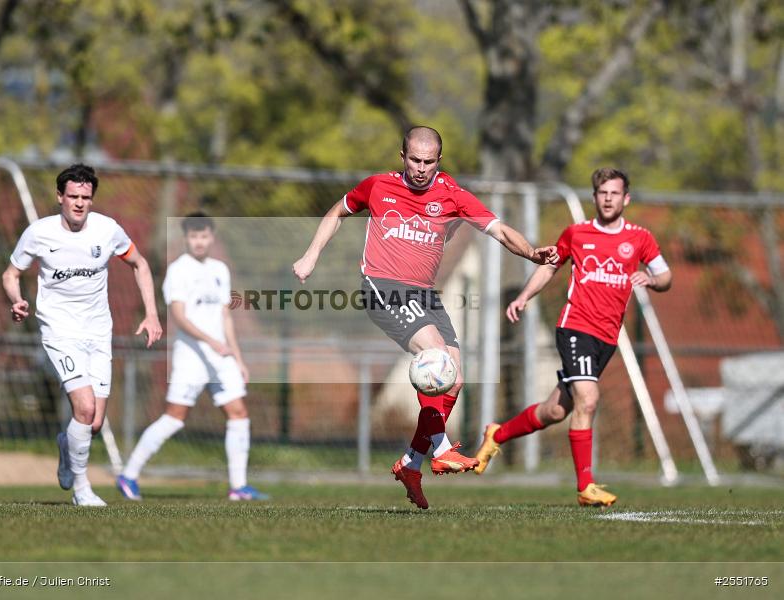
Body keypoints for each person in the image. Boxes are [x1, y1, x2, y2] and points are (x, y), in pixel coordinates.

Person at [293, 126, 558, 509]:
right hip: (383, 286)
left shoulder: (452, 195)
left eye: (428, 162)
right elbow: (338, 212)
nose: (420, 168)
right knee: (435, 355)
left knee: (454, 378)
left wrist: (532, 253)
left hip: (424, 294)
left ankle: (411, 463)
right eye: (414, 160)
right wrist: (311, 254)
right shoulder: (378, 186)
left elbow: (499, 231)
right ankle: (443, 449)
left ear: (439, 161)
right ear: (402, 157)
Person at [473, 167, 672, 507]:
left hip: (606, 338)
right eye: (602, 193)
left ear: (626, 199)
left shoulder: (640, 238)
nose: (608, 199)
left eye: (614, 193)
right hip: (576, 327)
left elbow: (665, 276)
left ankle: (497, 434)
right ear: (594, 197)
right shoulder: (577, 234)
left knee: (555, 410)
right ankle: (585, 487)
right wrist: (523, 297)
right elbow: (550, 266)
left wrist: (652, 280)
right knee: (588, 399)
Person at [2, 163, 163, 507]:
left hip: (98, 331)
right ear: (60, 197)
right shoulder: (39, 233)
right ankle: (82, 490)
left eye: (85, 198)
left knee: (94, 422)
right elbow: (11, 274)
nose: (79, 203)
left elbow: (140, 264)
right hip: (59, 330)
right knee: (85, 407)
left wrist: (151, 313)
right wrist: (16, 300)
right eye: (73, 196)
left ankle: (67, 445)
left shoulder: (107, 230)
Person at [116, 212, 268, 502]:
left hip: (221, 357)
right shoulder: (179, 270)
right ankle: (129, 475)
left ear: (212, 237)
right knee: (175, 417)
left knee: (238, 413)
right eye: (194, 236)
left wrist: (237, 357)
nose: (199, 242)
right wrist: (211, 341)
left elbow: (225, 316)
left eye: (204, 236)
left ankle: (238, 487)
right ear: (186, 238)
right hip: (191, 358)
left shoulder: (220, 270)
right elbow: (179, 316)